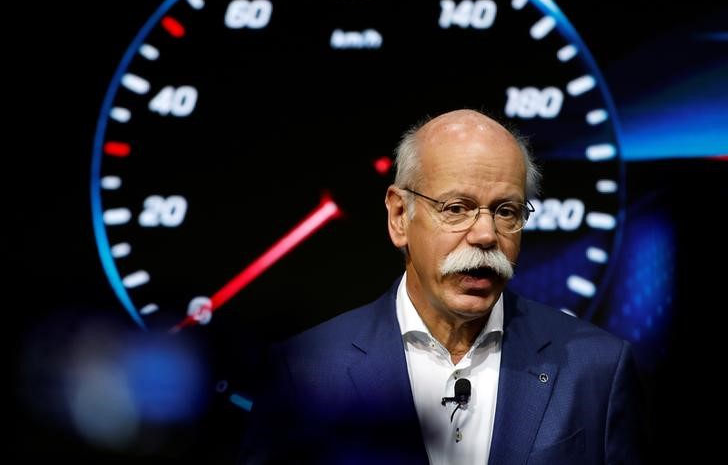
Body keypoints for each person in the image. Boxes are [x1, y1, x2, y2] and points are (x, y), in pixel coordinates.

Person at [240, 109, 647, 464]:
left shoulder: (596, 370)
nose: (486, 234)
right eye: (457, 208)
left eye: (506, 211)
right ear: (400, 216)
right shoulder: (304, 372)